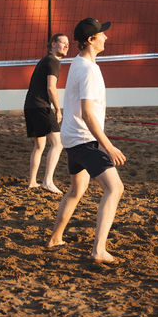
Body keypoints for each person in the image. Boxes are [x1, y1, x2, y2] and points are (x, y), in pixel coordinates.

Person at [48, 18, 126, 263]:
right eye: (101, 34)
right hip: (84, 139)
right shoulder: (89, 69)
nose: (106, 37)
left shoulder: (79, 63)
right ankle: (98, 251)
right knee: (115, 189)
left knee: (76, 189)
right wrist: (108, 145)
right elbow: (88, 113)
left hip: (72, 137)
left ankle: (55, 238)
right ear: (91, 40)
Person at [24, 34, 69, 193]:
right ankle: (47, 181)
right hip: (40, 106)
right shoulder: (53, 61)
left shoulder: (45, 60)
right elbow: (51, 88)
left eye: (68, 44)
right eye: (62, 42)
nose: (66, 46)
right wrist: (58, 109)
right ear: (53, 44)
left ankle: (32, 181)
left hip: (30, 105)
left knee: (39, 145)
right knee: (58, 144)